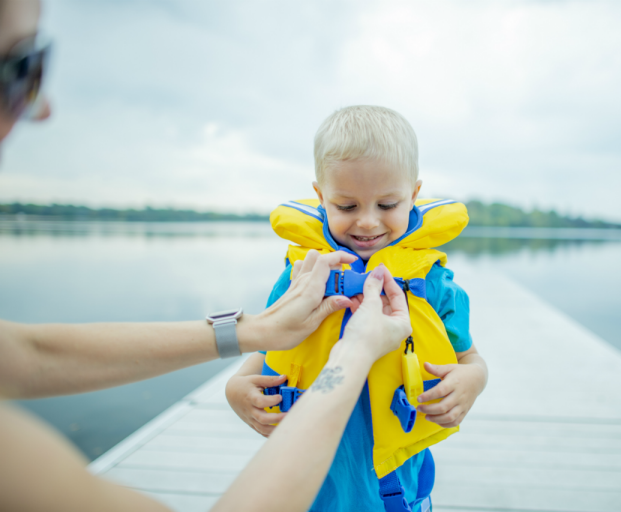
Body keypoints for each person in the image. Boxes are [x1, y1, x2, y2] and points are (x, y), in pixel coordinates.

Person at [0, 1, 414, 511]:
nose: (42, 108)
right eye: (22, 71)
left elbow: (26, 356)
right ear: (321, 195)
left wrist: (251, 330)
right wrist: (352, 356)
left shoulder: (425, 278)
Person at [226, 106, 488, 511]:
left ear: (414, 195)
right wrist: (235, 388)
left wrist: (473, 381)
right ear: (321, 197)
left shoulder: (432, 283)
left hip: (391, 485)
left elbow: (469, 356)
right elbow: (266, 345)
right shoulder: (304, 273)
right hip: (308, 479)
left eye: (387, 205)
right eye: (347, 206)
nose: (367, 222)